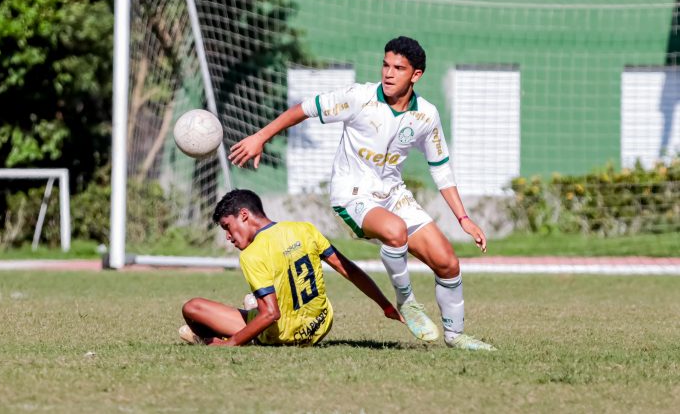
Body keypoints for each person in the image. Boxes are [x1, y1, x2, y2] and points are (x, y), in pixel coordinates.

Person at [228, 36, 495, 350]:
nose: (389, 73)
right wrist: (261, 137)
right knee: (395, 231)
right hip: (352, 196)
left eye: (399, 67)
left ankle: (456, 336)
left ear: (416, 75)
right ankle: (407, 301)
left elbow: (441, 168)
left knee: (448, 262)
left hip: (394, 195)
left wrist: (463, 218)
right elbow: (303, 109)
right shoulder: (358, 97)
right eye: (385, 64)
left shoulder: (426, 116)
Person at [179, 189, 404, 347]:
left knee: (192, 307)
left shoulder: (252, 254)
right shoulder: (304, 229)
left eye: (227, 227)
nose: (228, 237)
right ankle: (252, 306)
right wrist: (385, 305)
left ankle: (215, 340)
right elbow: (349, 270)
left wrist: (234, 343)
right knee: (259, 300)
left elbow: (271, 314)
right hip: (320, 327)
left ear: (244, 215)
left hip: (281, 336)